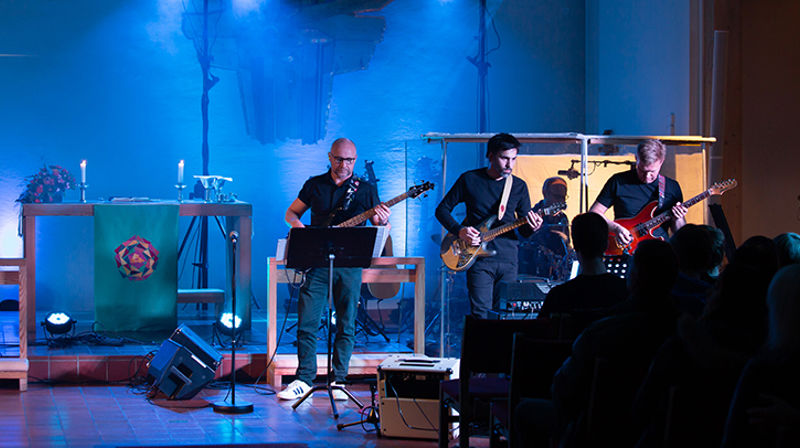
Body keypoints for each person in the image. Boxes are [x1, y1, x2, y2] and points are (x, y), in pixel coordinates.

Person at [278, 138, 391, 401]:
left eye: (350, 160)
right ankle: (303, 379)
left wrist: (385, 221)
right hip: (316, 261)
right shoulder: (314, 185)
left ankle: (339, 379)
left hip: (349, 263)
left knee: (346, 322)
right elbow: (291, 213)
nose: (344, 165)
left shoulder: (365, 189)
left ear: (355, 159)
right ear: (330, 157)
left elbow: (379, 228)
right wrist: (299, 228)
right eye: (339, 159)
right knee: (307, 321)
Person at [435, 133, 543, 319]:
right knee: (481, 314)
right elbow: (442, 210)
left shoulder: (518, 186)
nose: (510, 165)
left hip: (508, 258)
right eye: (504, 158)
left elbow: (524, 230)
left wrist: (533, 226)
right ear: (491, 156)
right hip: (478, 259)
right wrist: (460, 231)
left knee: (506, 314)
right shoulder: (469, 179)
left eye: (513, 159)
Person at [589, 139, 688, 250]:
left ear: (661, 161)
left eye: (652, 172)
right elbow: (594, 214)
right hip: (625, 250)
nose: (647, 176)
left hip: (660, 253)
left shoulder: (672, 187)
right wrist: (615, 228)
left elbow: (679, 233)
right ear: (636, 159)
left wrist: (678, 218)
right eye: (642, 170)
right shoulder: (618, 181)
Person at [537, 212, 627, 333]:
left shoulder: (558, 295)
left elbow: (539, 333)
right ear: (606, 245)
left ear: (575, 245)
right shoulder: (625, 292)